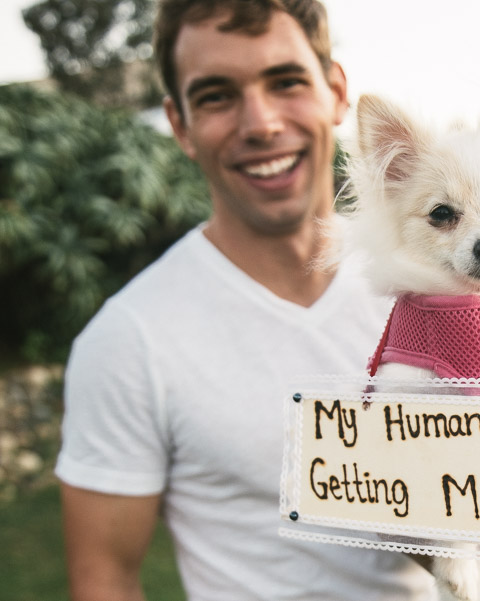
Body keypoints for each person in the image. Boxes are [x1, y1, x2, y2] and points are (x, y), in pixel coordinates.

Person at [54, 1, 436, 599]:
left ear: (336, 92)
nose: (259, 123)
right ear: (179, 125)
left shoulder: (437, 292)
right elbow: (105, 576)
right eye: (215, 96)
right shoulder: (129, 338)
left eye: (285, 82)